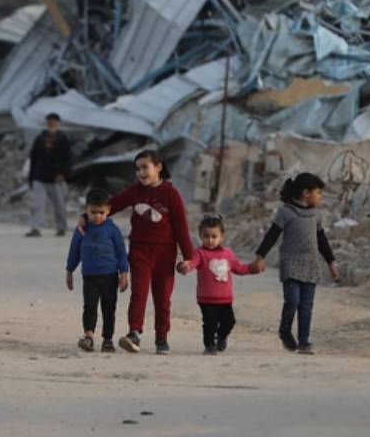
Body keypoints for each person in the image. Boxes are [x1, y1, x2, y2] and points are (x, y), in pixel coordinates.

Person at [79, 149, 193, 355]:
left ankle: (161, 338)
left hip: (165, 254)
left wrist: (189, 258)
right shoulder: (135, 192)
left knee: (163, 298)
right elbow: (111, 205)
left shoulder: (171, 194)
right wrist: (85, 216)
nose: (141, 172)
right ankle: (134, 333)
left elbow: (181, 228)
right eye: (137, 169)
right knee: (139, 293)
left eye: (145, 167)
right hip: (140, 251)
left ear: (158, 167)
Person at [254, 173, 339, 355]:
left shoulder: (316, 215)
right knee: (293, 300)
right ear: (306, 193)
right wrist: (260, 256)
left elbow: (322, 240)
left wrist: (331, 262)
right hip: (290, 263)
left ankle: (304, 341)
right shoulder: (286, 212)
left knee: (306, 306)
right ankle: (285, 329)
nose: (321, 197)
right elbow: (272, 235)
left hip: (311, 265)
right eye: (318, 193)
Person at [177, 215, 259, 355]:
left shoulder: (228, 253)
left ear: (222, 237)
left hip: (225, 299)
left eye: (214, 236)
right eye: (206, 236)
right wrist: (184, 267)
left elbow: (238, 268)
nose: (210, 240)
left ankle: (221, 337)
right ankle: (209, 345)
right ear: (200, 236)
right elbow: (191, 264)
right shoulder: (200, 253)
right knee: (210, 323)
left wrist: (252, 268)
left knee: (229, 322)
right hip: (206, 299)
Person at [66, 189, 130, 353]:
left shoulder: (113, 230)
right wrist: (69, 270)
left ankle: (108, 340)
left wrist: (124, 273)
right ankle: (88, 337)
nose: (97, 216)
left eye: (101, 212)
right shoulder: (82, 229)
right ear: (86, 210)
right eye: (93, 212)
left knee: (109, 308)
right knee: (89, 306)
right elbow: (74, 250)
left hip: (110, 276)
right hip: (89, 276)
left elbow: (121, 253)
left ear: (108, 210)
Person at [26, 113, 73, 238]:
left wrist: (63, 174)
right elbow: (33, 159)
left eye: (53, 122)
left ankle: (61, 228)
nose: (51, 124)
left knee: (60, 206)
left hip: (56, 179)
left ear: (57, 124)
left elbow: (68, 159)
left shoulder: (63, 139)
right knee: (37, 205)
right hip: (39, 178)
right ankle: (35, 228)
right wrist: (31, 178)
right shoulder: (40, 139)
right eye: (49, 122)